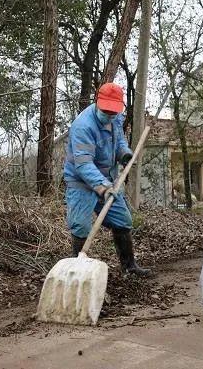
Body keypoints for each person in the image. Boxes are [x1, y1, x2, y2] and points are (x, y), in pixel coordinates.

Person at [63, 82, 151, 277]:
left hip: (107, 180)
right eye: (106, 112)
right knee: (81, 226)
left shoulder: (115, 118)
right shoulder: (83, 126)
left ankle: (129, 267)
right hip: (81, 184)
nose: (110, 116)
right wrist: (102, 186)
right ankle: (76, 274)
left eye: (113, 112)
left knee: (123, 220)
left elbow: (118, 140)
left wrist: (125, 154)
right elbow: (84, 164)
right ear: (97, 102)